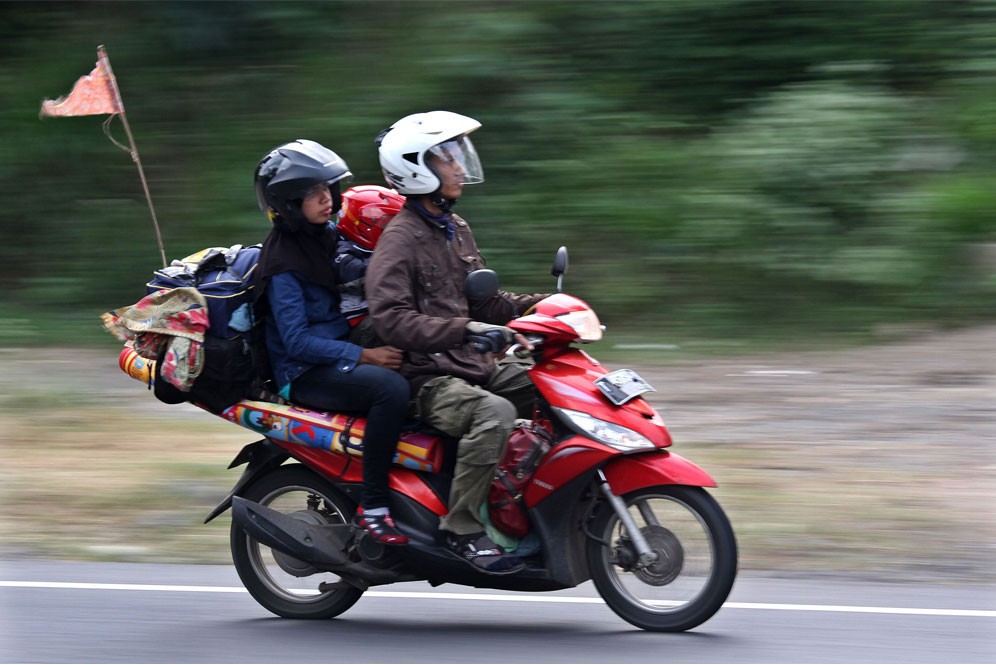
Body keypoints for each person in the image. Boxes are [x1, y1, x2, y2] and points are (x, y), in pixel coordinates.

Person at [366, 111, 548, 574]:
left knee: (550, 384)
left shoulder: (456, 228)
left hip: (471, 361)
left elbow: (484, 304)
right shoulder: (400, 240)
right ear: (417, 167)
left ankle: (536, 504)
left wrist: (543, 306)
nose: (459, 167)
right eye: (448, 157)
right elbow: (390, 319)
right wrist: (459, 330)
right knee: (495, 413)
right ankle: (462, 529)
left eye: (457, 156)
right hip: (427, 376)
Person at [253, 139, 411, 545]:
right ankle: (374, 508)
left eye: (329, 190)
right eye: (313, 195)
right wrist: (365, 355)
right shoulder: (283, 264)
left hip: (336, 350)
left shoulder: (325, 237)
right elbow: (296, 341)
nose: (328, 200)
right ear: (288, 203)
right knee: (391, 390)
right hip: (304, 371)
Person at [334, 185, 406, 347]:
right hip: (364, 324)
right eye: (390, 226)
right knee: (406, 324)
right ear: (363, 225)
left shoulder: (377, 250)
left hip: (385, 314)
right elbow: (365, 275)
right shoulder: (344, 254)